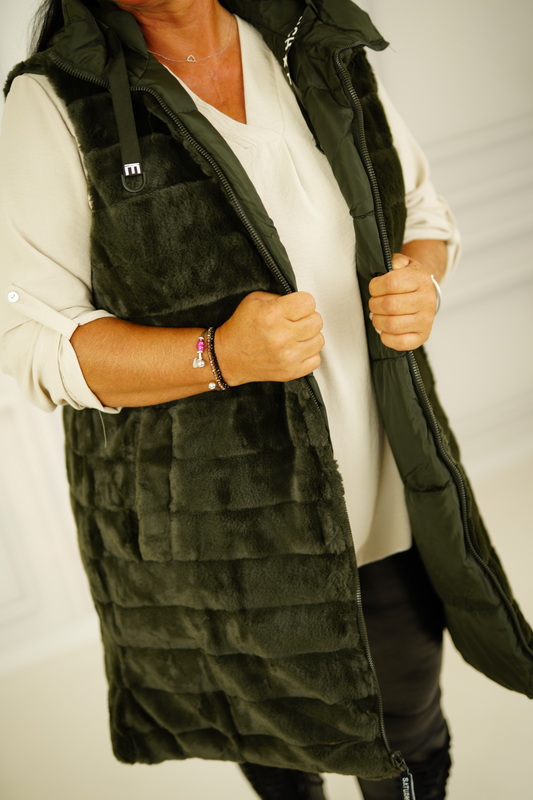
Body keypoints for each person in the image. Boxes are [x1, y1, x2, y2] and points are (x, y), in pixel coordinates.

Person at [0, 1, 531, 799]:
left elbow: (420, 211)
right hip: (223, 539)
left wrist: (419, 279)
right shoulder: (55, 100)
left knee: (409, 742)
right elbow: (32, 343)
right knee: (277, 753)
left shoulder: (315, 41)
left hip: (384, 491)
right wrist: (217, 355)